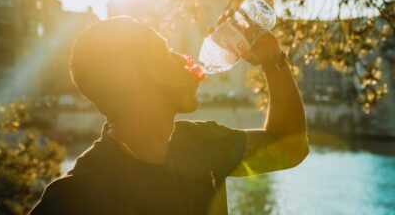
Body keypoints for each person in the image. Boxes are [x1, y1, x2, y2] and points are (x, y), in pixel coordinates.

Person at [30, 12, 308, 215]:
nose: (185, 58)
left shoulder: (201, 143)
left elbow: (291, 146)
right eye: (166, 52)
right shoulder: (73, 198)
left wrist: (273, 63)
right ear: (136, 81)